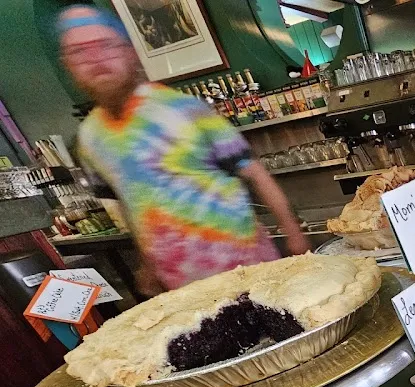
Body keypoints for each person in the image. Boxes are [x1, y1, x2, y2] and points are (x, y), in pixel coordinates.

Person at [57, 5, 310, 295]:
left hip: (248, 270)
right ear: (67, 65)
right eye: (79, 52)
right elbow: (127, 203)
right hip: (182, 288)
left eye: (105, 45)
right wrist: (147, 264)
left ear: (130, 52)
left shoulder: (184, 109)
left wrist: (295, 237)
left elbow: (256, 173)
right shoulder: (88, 137)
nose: (95, 59)